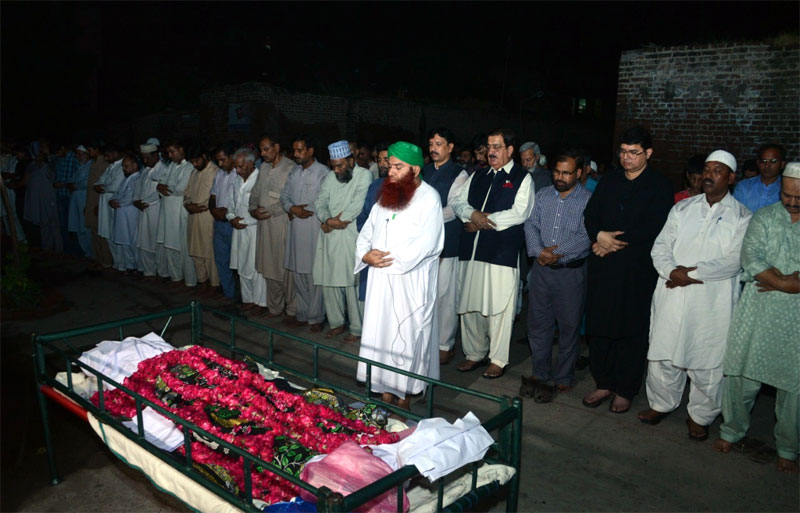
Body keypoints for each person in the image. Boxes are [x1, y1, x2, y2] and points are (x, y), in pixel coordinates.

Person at [639, 150, 752, 440]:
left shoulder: (742, 216)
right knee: (664, 350)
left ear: (731, 177)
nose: (709, 174)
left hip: (711, 301)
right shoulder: (683, 208)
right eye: (706, 169)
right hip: (672, 291)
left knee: (707, 357)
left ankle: (701, 415)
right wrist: (671, 270)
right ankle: (661, 403)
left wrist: (689, 274)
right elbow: (660, 246)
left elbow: (734, 260)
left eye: (717, 170)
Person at [712, 163, 800, 474]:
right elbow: (751, 257)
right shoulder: (764, 217)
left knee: (794, 384)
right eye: (787, 195)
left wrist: (781, 281)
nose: (791, 202)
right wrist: (786, 282)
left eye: (798, 197)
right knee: (741, 373)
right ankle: (731, 430)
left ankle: (788, 447)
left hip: (795, 319)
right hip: (757, 310)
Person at [582, 126, 673, 414]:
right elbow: (591, 214)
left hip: (636, 269)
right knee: (600, 327)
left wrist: (609, 242)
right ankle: (603, 382)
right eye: (622, 152)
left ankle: (625, 388)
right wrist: (598, 236)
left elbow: (653, 226)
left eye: (634, 153)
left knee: (630, 330)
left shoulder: (659, 185)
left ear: (648, 153)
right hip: (604, 268)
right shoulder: (609, 180)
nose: (627, 158)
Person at [355, 141, 444, 409]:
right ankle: (384, 392)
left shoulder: (429, 198)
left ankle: (404, 395)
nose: (389, 171)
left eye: (397, 166)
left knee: (407, 337)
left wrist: (386, 261)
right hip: (381, 281)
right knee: (379, 335)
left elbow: (428, 243)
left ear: (415, 169)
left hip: (409, 283)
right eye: (389, 165)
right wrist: (365, 255)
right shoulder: (386, 194)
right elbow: (368, 229)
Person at [452, 128, 535, 379]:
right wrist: (472, 214)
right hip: (471, 251)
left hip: (501, 253)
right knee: (470, 305)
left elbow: (520, 212)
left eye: (497, 147)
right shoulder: (478, 175)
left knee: (499, 306)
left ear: (510, 150)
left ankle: (498, 359)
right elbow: (458, 202)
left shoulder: (522, 178)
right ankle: (474, 353)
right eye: (489, 146)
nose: (491, 152)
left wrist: (481, 220)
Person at [522, 147, 592, 403]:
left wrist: (557, 253)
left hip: (570, 275)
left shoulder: (587, 200)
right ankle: (540, 372)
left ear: (580, 173)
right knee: (538, 324)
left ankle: (563, 376)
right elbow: (531, 224)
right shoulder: (543, 195)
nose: (560, 177)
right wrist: (539, 252)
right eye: (557, 172)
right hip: (541, 271)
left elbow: (585, 235)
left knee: (569, 327)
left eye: (567, 173)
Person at [313, 140, 371, 341]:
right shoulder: (330, 177)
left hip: (349, 234)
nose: (337, 170)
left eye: (341, 165)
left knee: (351, 282)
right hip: (329, 234)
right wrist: (327, 219)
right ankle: (336, 323)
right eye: (334, 166)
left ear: (351, 159)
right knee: (330, 282)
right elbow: (320, 201)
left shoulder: (364, 175)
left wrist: (336, 221)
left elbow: (358, 204)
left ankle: (357, 328)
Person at [421, 127, 469, 364]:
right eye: (431, 143)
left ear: (450, 147)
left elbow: (453, 209)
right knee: (425, 294)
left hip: (446, 242)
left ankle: (445, 344)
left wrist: (423, 218)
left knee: (445, 295)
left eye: (439, 143)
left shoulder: (459, 174)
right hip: (422, 245)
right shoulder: (424, 171)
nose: (433, 148)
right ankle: (427, 339)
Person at [280, 135, 329, 331]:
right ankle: (302, 313)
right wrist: (292, 209)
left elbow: (323, 201)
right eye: (294, 150)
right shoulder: (294, 172)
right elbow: (284, 196)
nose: (296, 154)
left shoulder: (322, 173)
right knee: (298, 274)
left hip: (313, 229)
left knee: (313, 275)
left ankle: (316, 317)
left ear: (310, 151)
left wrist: (302, 209)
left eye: (300, 150)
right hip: (295, 229)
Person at [249, 135, 297, 319]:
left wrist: (268, 211)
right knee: (269, 267)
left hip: (281, 224)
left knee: (284, 269)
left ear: (276, 147)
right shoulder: (263, 167)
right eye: (261, 150)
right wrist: (253, 209)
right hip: (264, 226)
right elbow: (255, 192)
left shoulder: (290, 167)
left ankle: (292, 310)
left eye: (266, 149)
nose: (263, 153)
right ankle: (275, 308)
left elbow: (290, 198)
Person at [227, 148, 266, 312]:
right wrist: (231, 218)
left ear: (251, 164)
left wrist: (245, 220)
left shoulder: (260, 179)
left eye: (241, 166)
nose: (237, 170)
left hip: (255, 229)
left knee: (256, 267)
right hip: (238, 229)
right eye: (236, 166)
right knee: (242, 265)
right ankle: (248, 299)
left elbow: (262, 208)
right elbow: (230, 204)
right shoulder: (236, 180)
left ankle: (261, 302)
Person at [155, 140, 196, 286]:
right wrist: (161, 186)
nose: (171, 156)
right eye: (169, 153)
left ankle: (190, 281)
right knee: (170, 244)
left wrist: (165, 187)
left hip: (180, 210)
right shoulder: (171, 165)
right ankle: (176, 277)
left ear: (182, 150)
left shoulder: (189, 167)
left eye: (173, 152)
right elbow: (160, 181)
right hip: (167, 211)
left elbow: (180, 188)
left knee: (183, 246)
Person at [184, 145, 220, 295]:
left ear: (205, 157)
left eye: (197, 161)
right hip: (193, 217)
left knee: (209, 252)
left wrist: (201, 206)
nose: (195, 164)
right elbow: (186, 193)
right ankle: (202, 281)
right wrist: (188, 204)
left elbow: (217, 196)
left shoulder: (216, 172)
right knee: (196, 251)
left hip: (207, 216)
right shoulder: (194, 173)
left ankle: (214, 284)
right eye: (192, 162)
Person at [209, 142, 239, 300]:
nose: (220, 164)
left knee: (238, 261)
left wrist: (227, 212)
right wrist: (213, 210)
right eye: (218, 160)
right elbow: (212, 197)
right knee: (222, 260)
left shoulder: (239, 174)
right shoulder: (219, 174)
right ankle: (229, 293)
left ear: (232, 157)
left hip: (233, 223)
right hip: (219, 223)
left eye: (223, 160)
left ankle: (243, 296)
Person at [133, 143, 163, 278]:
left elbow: (159, 192)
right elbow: (137, 188)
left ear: (155, 155)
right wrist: (136, 200)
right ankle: (149, 271)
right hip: (143, 211)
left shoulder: (164, 170)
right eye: (143, 158)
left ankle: (161, 272)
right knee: (144, 242)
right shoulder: (144, 171)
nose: (145, 161)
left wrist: (144, 201)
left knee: (156, 243)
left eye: (147, 158)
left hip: (156, 210)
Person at [109, 155, 141, 273]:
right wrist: (112, 201)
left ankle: (138, 267)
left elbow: (131, 197)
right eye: (123, 166)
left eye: (126, 166)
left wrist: (118, 203)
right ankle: (129, 266)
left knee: (133, 241)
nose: (124, 169)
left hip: (132, 213)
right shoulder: (125, 179)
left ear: (135, 165)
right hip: (121, 215)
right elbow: (117, 193)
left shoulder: (138, 178)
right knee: (123, 241)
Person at [733, 143, 786, 213]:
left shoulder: (787, 189)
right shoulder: (744, 187)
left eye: (773, 161)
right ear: (758, 163)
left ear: (782, 164)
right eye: (763, 161)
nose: (767, 165)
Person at [94, 146, 124, 264]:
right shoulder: (110, 167)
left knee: (116, 233)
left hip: (114, 204)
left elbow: (115, 187)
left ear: (115, 153)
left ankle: (121, 264)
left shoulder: (121, 167)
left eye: (108, 155)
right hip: (105, 204)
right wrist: (102, 186)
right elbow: (98, 181)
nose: (106, 157)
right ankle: (116, 263)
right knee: (108, 234)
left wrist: (102, 187)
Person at [84, 143, 111, 267]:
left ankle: (106, 260)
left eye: (90, 149)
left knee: (102, 232)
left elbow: (104, 186)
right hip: (91, 201)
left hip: (99, 203)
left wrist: (99, 205)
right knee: (94, 231)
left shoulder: (104, 164)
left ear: (96, 149)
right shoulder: (93, 163)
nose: (89, 152)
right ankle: (99, 258)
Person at [67, 145, 93, 257]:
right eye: (77, 154)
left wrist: (75, 186)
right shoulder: (79, 166)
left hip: (84, 199)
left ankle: (92, 253)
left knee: (86, 226)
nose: (78, 156)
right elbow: (71, 181)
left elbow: (86, 183)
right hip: (76, 199)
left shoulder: (91, 166)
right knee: (78, 226)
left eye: (80, 154)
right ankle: (86, 252)